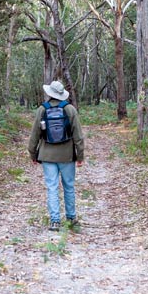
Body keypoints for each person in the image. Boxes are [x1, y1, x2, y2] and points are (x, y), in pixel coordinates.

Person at [27, 80, 85, 231]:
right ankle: (71, 218)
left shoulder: (42, 110)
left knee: (52, 188)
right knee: (69, 187)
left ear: (49, 93)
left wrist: (33, 154)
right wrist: (80, 156)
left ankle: (55, 221)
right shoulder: (70, 109)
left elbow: (35, 134)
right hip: (67, 156)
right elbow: (78, 135)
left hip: (47, 156)